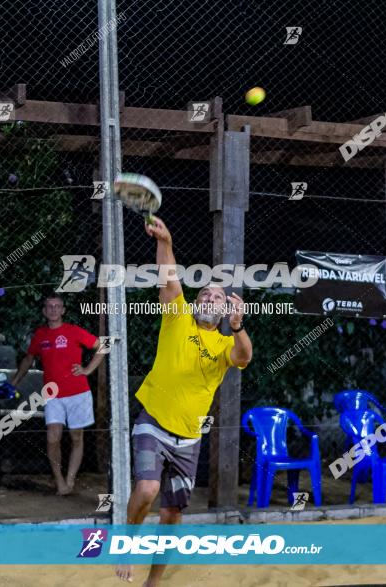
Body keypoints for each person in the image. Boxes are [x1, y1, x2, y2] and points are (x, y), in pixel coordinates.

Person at [116, 216, 252, 587]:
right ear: (196, 303)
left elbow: (244, 357)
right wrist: (166, 240)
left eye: (218, 297)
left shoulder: (225, 343)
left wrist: (239, 328)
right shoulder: (178, 318)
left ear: (226, 312)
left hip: (189, 439)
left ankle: (153, 581)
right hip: (153, 422)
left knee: (172, 515)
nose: (210, 298)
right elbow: (169, 276)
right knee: (146, 489)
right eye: (205, 294)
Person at [12, 295, 105, 496]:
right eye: (49, 307)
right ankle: (59, 481)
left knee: (76, 437)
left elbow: (102, 347)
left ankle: (70, 479)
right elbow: (29, 359)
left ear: (63, 310)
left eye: (57, 306)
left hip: (78, 393)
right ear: (44, 311)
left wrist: (88, 369)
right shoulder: (40, 335)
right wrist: (15, 382)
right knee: (52, 438)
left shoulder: (73, 331)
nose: (53, 310)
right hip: (52, 394)